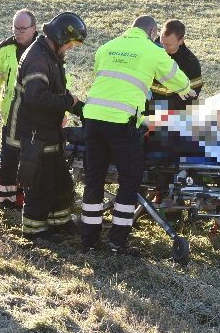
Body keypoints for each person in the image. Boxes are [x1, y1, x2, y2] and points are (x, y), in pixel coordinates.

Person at [81, 16, 194, 255]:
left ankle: (89, 239)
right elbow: (179, 79)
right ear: (153, 31)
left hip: (92, 119)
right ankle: (117, 241)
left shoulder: (107, 47)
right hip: (122, 124)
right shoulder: (152, 50)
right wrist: (186, 91)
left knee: (94, 179)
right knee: (129, 181)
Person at [5, 12, 86, 240]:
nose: (70, 48)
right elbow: (36, 97)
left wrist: (79, 106)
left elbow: (56, 91)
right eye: (70, 43)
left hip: (48, 132)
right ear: (60, 38)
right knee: (39, 186)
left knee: (60, 182)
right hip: (34, 134)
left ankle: (59, 223)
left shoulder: (50, 55)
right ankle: (34, 231)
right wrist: (67, 102)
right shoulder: (38, 58)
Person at [0, 8, 38, 207]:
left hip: (36, 117)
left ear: (34, 28)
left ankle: (31, 200)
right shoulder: (4, 50)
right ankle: (7, 202)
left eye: (23, 28)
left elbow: (60, 84)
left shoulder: (45, 50)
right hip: (11, 117)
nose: (18, 32)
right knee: (8, 160)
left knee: (33, 159)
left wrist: (62, 114)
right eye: (15, 27)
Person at [148, 19, 204, 111]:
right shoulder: (152, 47)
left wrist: (153, 107)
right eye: (162, 43)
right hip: (143, 104)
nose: (163, 48)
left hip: (169, 112)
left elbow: (190, 99)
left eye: (169, 45)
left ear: (181, 41)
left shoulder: (190, 64)